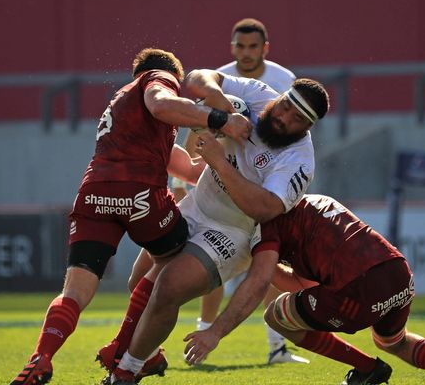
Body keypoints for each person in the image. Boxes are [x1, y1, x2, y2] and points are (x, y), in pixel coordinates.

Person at [9, 48, 252, 385]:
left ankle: (42, 357)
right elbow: (161, 103)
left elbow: (190, 171)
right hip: (137, 193)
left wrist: (226, 157)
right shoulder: (157, 80)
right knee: (176, 255)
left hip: (93, 194)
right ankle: (123, 347)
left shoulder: (122, 106)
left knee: (75, 291)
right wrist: (220, 120)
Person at [100, 69, 330, 384]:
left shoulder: (299, 161)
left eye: (297, 119)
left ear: (307, 128)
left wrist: (218, 161)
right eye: (287, 106)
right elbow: (197, 78)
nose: (285, 118)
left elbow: (263, 209)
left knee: (166, 287)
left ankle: (125, 371)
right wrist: (218, 103)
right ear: (281, 96)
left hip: (233, 233)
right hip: (197, 204)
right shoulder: (258, 93)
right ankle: (150, 356)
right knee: (138, 282)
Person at [182, 194, 425, 385]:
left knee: (277, 316)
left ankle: (367, 369)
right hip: (398, 272)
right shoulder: (318, 200)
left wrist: (260, 264)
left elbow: (295, 286)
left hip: (356, 290)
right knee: (393, 340)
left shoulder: (271, 225)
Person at [190, 17, 307, 365]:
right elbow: (198, 118)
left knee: (267, 265)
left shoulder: (284, 80)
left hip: (264, 192)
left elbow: (299, 135)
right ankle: (201, 334)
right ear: (232, 48)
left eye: (253, 46)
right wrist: (190, 169)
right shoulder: (220, 76)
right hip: (219, 183)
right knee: (207, 265)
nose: (246, 53)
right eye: (240, 46)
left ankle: (277, 347)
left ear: (265, 48)